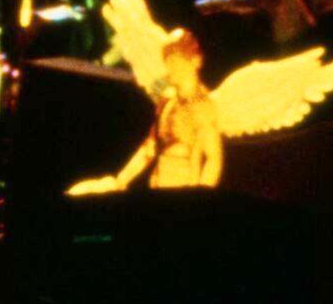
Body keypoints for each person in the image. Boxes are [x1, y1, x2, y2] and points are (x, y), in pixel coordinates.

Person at [71, 27, 222, 193]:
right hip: (157, 189)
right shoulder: (167, 100)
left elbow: (213, 160)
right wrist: (120, 180)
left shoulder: (203, 107)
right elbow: (149, 148)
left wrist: (199, 198)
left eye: (177, 60)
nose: (171, 67)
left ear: (195, 61)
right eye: (168, 61)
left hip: (183, 194)